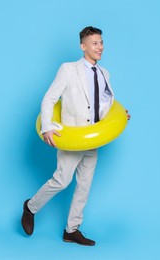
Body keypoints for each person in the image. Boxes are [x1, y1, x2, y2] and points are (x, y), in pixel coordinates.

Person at [21, 26, 130, 246]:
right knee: (62, 180)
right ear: (83, 46)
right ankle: (30, 207)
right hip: (73, 138)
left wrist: (119, 116)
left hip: (93, 139)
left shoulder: (104, 73)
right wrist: (47, 127)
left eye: (101, 42)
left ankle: (72, 230)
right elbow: (50, 98)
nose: (100, 47)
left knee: (85, 185)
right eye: (94, 43)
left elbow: (102, 104)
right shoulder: (68, 69)